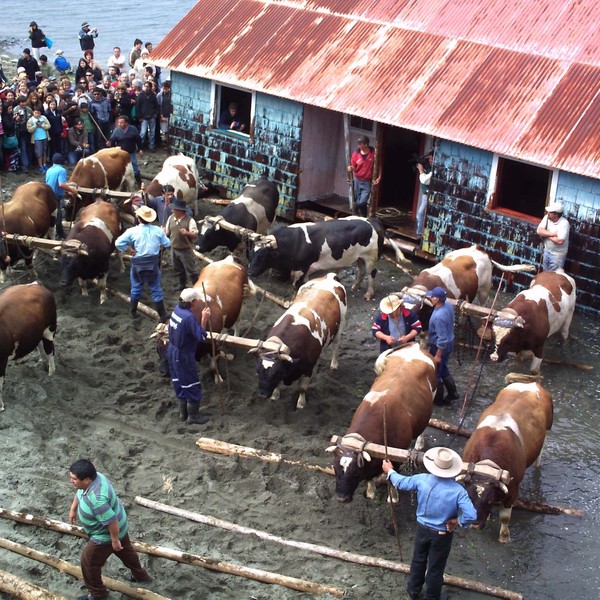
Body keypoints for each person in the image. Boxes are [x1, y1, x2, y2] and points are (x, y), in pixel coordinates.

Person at [382, 447, 477, 600]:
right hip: (441, 533)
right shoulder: (458, 491)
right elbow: (471, 515)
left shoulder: (422, 479)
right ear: (452, 470)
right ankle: (432, 597)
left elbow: (400, 483)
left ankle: (413, 591)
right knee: (435, 567)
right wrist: (457, 521)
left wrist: (390, 471)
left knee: (418, 560)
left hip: (422, 528)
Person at [68, 459, 151, 600]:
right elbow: (79, 492)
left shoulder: (97, 499)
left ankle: (98, 594)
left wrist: (114, 540)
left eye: (74, 479)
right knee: (126, 551)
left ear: (87, 479)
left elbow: (111, 521)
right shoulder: (96, 476)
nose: (71, 481)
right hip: (121, 523)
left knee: (88, 562)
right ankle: (141, 576)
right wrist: (73, 509)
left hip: (105, 534)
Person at [115, 205, 171, 320]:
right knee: (156, 289)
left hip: (138, 263)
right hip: (153, 263)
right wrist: (159, 242)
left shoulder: (131, 231)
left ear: (139, 219)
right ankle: (162, 314)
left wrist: (129, 249)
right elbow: (168, 244)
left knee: (136, 288)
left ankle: (133, 312)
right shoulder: (158, 231)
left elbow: (118, 243)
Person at [167, 288, 211, 425]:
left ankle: (183, 413)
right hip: (183, 354)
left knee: (179, 382)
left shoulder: (176, 310)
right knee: (192, 384)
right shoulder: (188, 317)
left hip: (171, 350)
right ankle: (193, 416)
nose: (198, 301)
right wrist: (204, 319)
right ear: (193, 302)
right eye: (197, 300)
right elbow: (201, 336)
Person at [426, 286, 458, 406]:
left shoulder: (439, 317)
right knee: (444, 368)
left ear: (437, 299)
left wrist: (438, 355)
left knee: (437, 373)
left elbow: (442, 339)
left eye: (432, 296)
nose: (430, 297)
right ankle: (453, 393)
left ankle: (438, 400)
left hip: (440, 347)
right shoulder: (448, 304)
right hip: (449, 342)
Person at [165, 197, 200, 291]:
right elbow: (168, 233)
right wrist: (164, 231)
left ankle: (196, 286)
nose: (172, 210)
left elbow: (195, 235)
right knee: (178, 268)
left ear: (180, 211)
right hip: (174, 248)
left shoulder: (190, 221)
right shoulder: (171, 218)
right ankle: (182, 284)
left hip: (185, 250)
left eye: (174, 209)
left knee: (191, 270)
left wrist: (187, 233)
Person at [348, 135, 379, 217]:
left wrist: (379, 177)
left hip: (367, 181)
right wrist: (351, 168)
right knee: (359, 199)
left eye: (360, 144)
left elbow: (379, 165)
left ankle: (355, 208)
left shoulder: (373, 153)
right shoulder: (356, 154)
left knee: (362, 201)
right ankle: (363, 216)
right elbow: (354, 166)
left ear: (366, 144)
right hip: (357, 179)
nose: (359, 145)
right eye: (358, 144)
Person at [107, 115, 143, 183]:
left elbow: (138, 140)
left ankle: (139, 182)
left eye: (121, 123)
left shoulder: (133, 129)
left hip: (131, 153)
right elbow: (112, 140)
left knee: (134, 167)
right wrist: (109, 142)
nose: (119, 124)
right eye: (118, 123)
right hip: (120, 153)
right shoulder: (116, 130)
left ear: (126, 123)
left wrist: (140, 149)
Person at [536, 201, 570, 272]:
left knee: (553, 276)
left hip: (558, 255)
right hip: (547, 251)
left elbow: (560, 241)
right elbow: (539, 230)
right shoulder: (547, 218)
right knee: (545, 274)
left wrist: (546, 234)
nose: (548, 213)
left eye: (550, 212)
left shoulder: (564, 223)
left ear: (556, 214)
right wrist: (552, 234)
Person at [45, 153, 68, 238]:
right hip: (56, 196)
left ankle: (60, 232)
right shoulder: (62, 170)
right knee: (58, 216)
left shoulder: (49, 170)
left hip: (47, 194)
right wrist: (72, 190)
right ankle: (59, 233)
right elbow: (61, 184)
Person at [416, 150, 434, 238]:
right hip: (425, 195)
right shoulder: (429, 167)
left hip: (429, 195)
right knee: (421, 213)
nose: (430, 161)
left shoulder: (434, 169)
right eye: (429, 159)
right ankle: (420, 233)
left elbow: (425, 180)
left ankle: (420, 233)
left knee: (420, 213)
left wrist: (421, 171)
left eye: (431, 159)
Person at [26, 107, 51, 172]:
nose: (37, 114)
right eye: (35, 113)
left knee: (44, 151)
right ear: (33, 113)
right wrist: (36, 126)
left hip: (44, 137)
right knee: (39, 153)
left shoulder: (44, 118)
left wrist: (42, 125)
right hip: (37, 138)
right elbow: (29, 130)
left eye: (38, 113)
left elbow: (48, 126)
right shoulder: (30, 120)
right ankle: (40, 166)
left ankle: (44, 164)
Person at [136, 81, 158, 150]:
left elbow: (156, 106)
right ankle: (138, 147)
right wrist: (139, 117)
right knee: (143, 133)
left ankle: (151, 146)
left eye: (148, 86)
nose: (146, 88)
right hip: (144, 118)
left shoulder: (153, 95)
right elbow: (137, 107)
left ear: (150, 87)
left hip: (151, 116)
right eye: (145, 86)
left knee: (152, 133)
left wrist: (155, 114)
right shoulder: (140, 95)